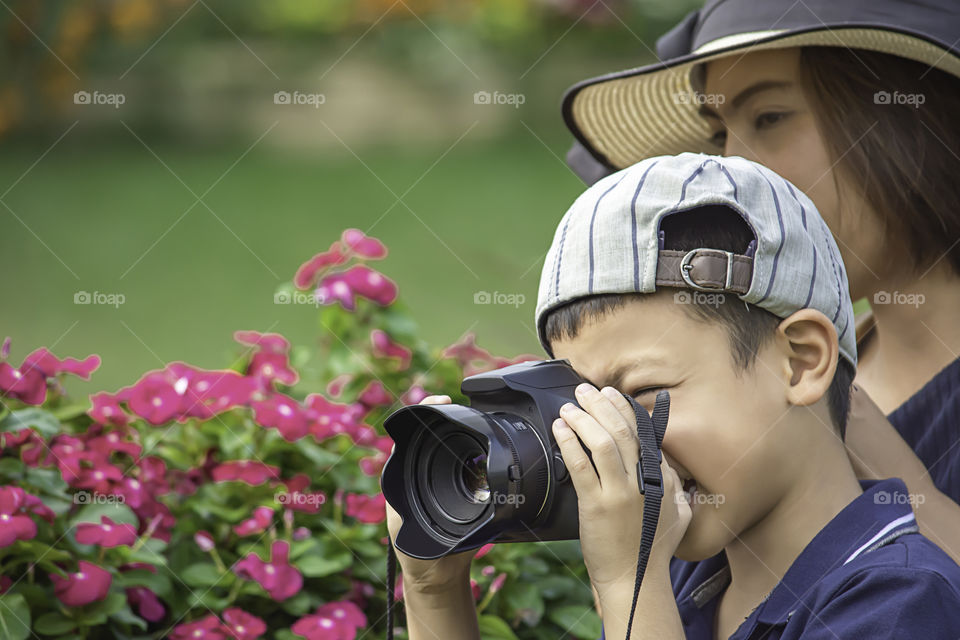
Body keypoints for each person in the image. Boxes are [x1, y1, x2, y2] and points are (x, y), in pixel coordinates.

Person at [386, 153, 960, 639]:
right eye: (583, 402)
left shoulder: (902, 601)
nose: (612, 438)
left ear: (800, 360)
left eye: (644, 393)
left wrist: (630, 584)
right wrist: (433, 590)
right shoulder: (697, 576)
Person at [561, 0, 960, 561]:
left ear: (910, 114)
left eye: (769, 117)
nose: (735, 168)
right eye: (720, 132)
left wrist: (879, 463)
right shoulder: (753, 373)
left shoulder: (800, 377)